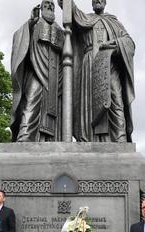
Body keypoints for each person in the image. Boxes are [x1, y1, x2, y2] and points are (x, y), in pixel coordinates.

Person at [58, 0, 135, 142]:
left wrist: (115, 43)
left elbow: (129, 42)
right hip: (90, 64)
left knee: (115, 99)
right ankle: (88, 139)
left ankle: (120, 139)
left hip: (109, 63)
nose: (97, 1)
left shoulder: (113, 21)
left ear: (105, 2)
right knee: (88, 101)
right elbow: (72, 10)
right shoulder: (86, 18)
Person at [11, 0, 64, 142]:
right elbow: (19, 39)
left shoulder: (60, 31)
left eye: (52, 6)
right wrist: (30, 23)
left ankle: (50, 140)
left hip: (55, 74)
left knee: (54, 108)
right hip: (36, 70)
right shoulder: (34, 24)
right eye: (46, 5)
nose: (50, 7)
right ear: (41, 8)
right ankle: (24, 138)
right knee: (32, 102)